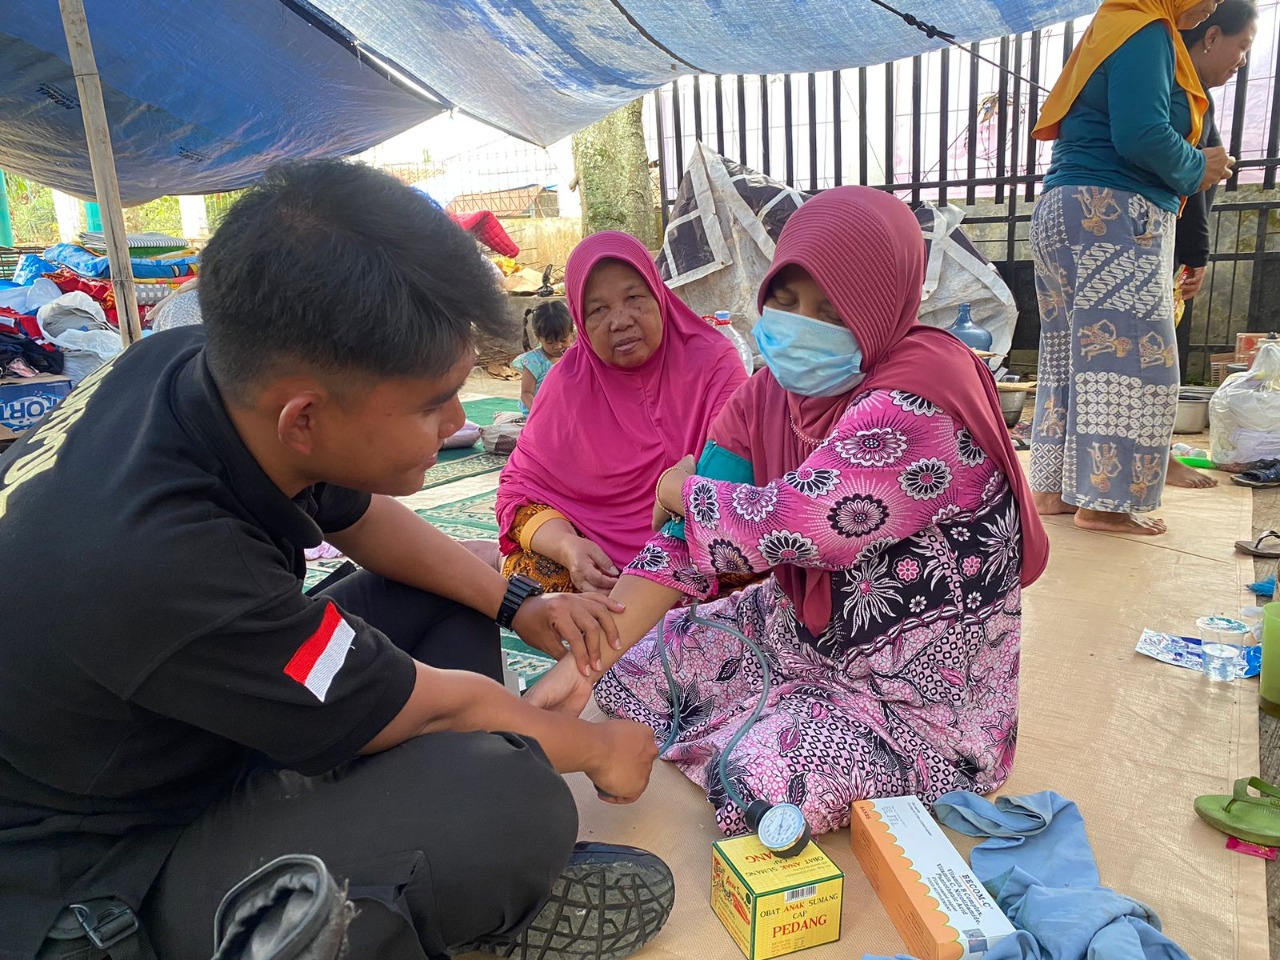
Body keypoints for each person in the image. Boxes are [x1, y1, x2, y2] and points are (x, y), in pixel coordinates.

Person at [0, 161, 674, 960]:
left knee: (455, 592)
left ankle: (420, 865)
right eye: (433, 403)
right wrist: (601, 748)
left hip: (184, 721)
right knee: (511, 796)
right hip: (105, 866)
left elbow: (361, 519)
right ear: (305, 418)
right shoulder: (162, 562)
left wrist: (516, 603)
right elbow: (437, 706)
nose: (460, 420)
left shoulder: (184, 366)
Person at [527, 187, 1050, 837]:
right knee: (634, 670)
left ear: (883, 304)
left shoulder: (925, 395)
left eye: (832, 310)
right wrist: (584, 666)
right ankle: (778, 705)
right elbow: (687, 543)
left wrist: (678, 491)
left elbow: (800, 521)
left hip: (920, 698)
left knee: (763, 783)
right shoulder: (768, 394)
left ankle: (803, 730)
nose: (802, 326)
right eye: (786, 300)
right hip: (803, 633)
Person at [1028, 0, 1235, 535]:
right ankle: (1105, 503)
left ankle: (1051, 489)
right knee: (1137, 358)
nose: (1211, 4)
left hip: (1062, 206)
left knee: (1066, 355)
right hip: (1114, 212)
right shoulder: (1148, 30)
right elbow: (1141, 133)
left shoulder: (1114, 24)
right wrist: (1197, 165)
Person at [496, 232, 748, 598]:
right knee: (530, 576)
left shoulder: (714, 361)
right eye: (598, 310)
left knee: (760, 568)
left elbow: (736, 472)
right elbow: (518, 491)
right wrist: (570, 548)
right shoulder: (567, 383)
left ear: (658, 296)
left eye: (634, 298)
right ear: (580, 323)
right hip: (602, 564)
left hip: (695, 546)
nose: (620, 321)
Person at [1168, 0, 1258, 488]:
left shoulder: (1189, 90)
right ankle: (1155, 458)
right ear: (1210, 35)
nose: (1241, 59)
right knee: (1154, 356)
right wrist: (1197, 256)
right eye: (1242, 46)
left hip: (1155, 237)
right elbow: (1189, 182)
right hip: (1147, 236)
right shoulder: (1179, 85)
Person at [515, 301, 575, 414]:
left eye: (563, 340)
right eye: (550, 342)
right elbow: (526, 393)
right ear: (539, 337)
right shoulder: (534, 362)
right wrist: (539, 413)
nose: (558, 346)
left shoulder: (575, 356)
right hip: (538, 414)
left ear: (572, 333)